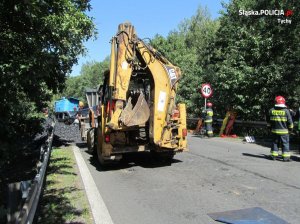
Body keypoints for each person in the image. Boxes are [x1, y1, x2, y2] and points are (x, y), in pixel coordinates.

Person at [267, 96, 293, 161]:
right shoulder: (286, 111)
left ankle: (273, 156)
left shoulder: (271, 110)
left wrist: (269, 128)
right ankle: (286, 157)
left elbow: (268, 121)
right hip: (284, 132)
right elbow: (290, 121)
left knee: (275, 143)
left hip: (274, 131)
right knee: (285, 143)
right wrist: (291, 129)